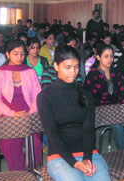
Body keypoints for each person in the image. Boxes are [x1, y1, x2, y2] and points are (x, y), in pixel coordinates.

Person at [37, 45, 111, 181]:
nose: (73, 72)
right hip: (60, 155)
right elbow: (52, 135)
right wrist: (75, 163)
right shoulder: (45, 97)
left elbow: (89, 130)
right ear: (56, 66)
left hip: (88, 153)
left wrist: (87, 158)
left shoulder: (85, 94)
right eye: (68, 67)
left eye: (76, 67)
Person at [0, 39, 42, 171]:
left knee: (35, 144)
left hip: (28, 113)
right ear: (7, 54)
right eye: (15, 53)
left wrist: (30, 112)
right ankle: (19, 174)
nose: (20, 57)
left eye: (22, 54)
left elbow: (37, 95)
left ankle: (30, 172)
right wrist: (13, 114)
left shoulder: (30, 71)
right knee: (10, 143)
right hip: (6, 115)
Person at [85, 44, 124, 150]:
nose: (110, 59)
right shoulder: (93, 74)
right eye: (106, 56)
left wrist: (123, 106)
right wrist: (112, 108)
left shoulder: (116, 72)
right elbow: (91, 98)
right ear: (98, 57)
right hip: (101, 109)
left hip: (116, 108)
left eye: (111, 56)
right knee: (117, 124)